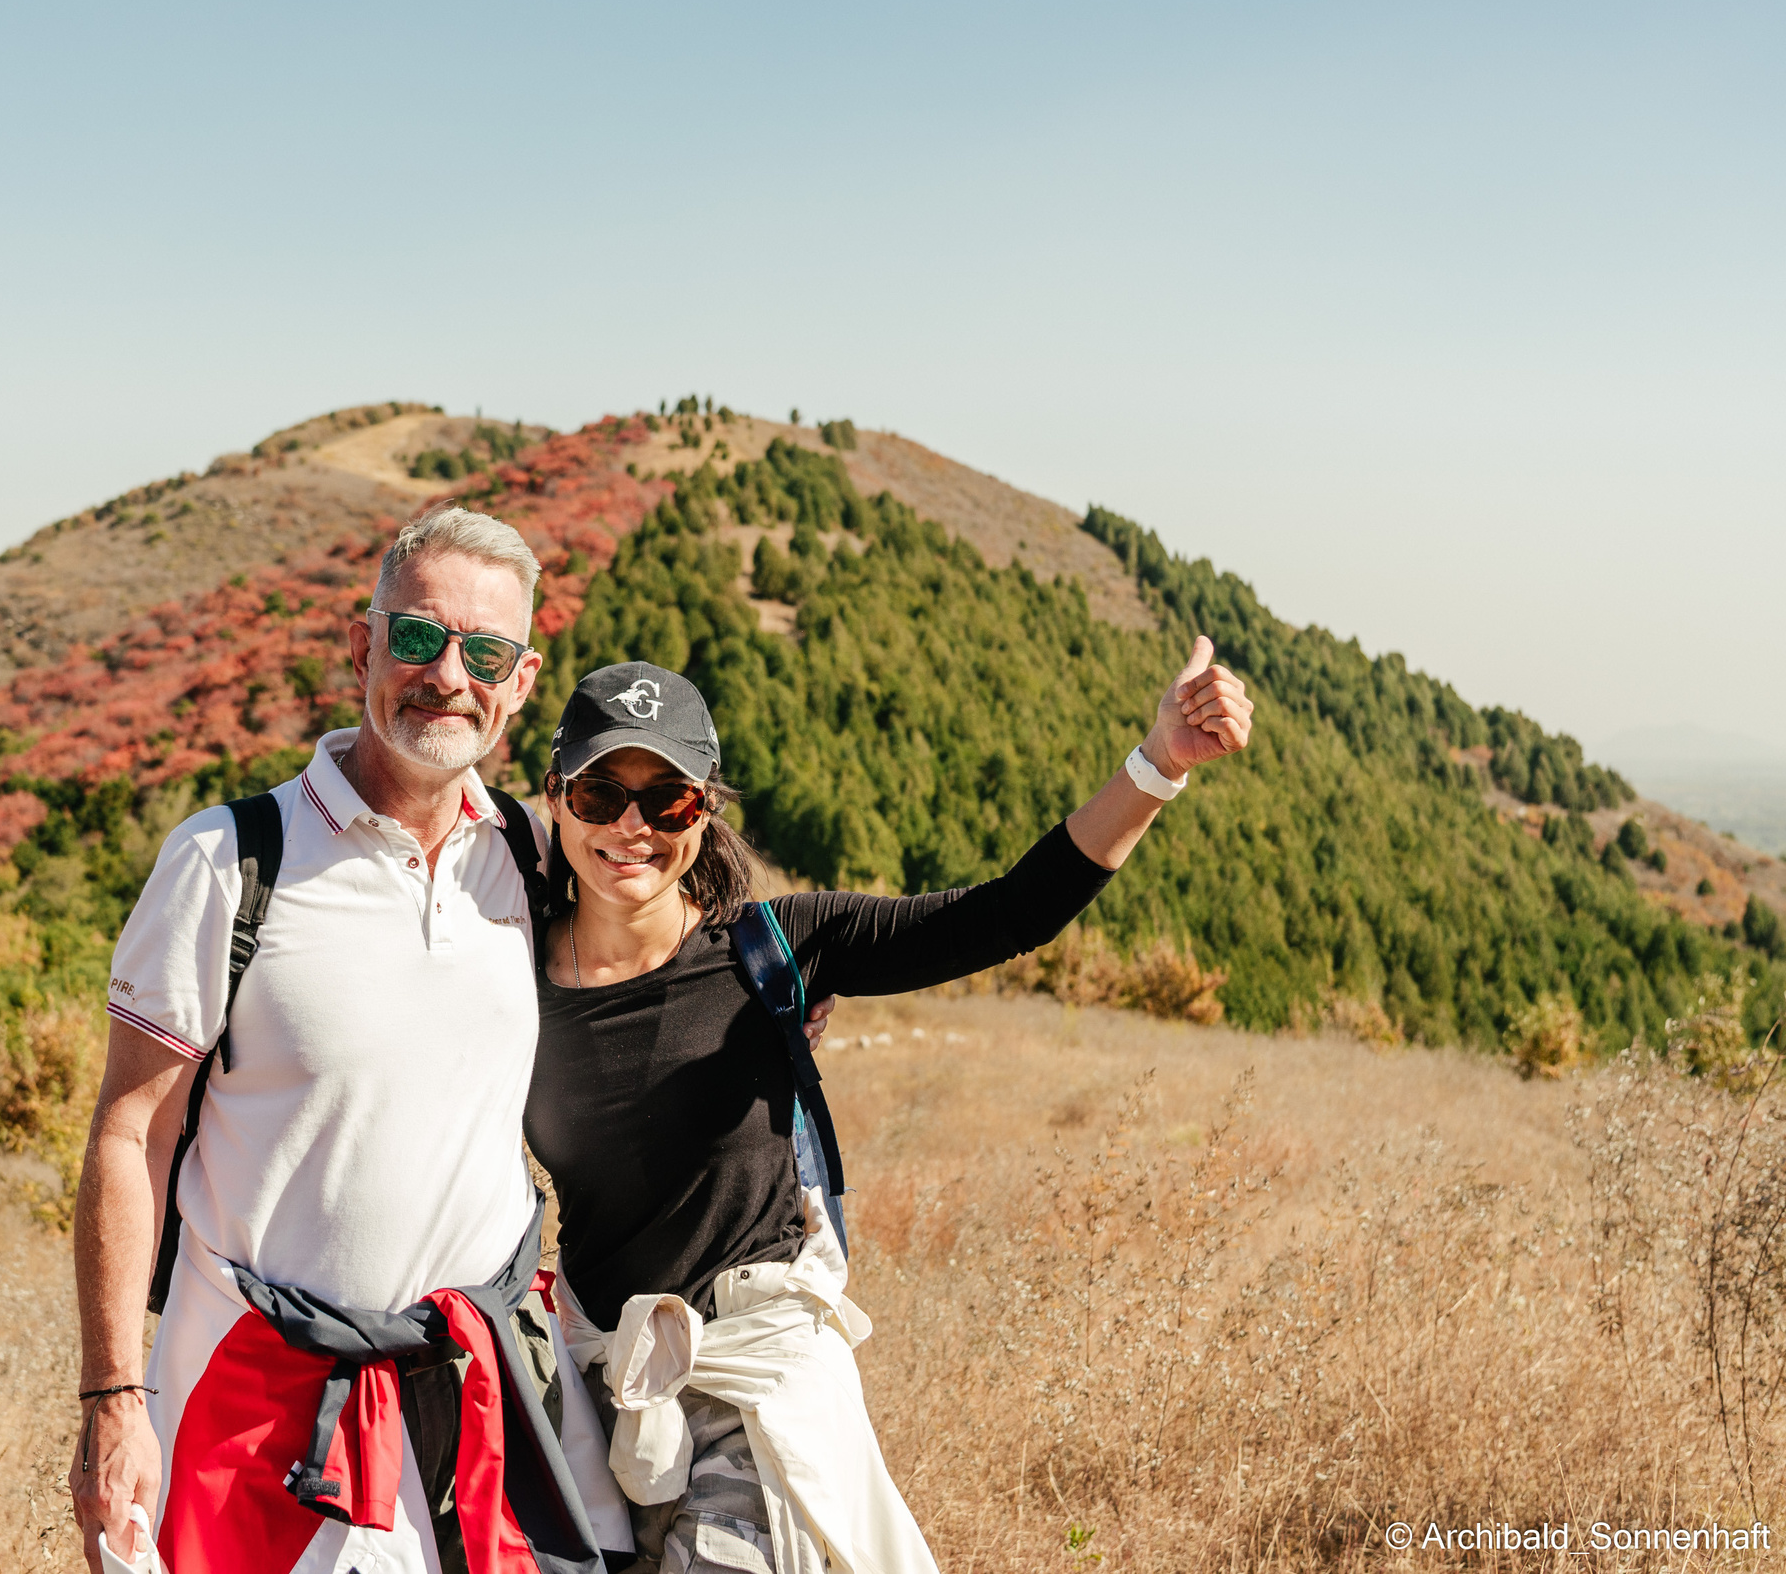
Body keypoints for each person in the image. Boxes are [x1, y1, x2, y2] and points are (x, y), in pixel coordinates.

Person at [523, 645, 1255, 1574]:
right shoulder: (503, 977)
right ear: (556, 797)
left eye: (665, 799)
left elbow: (1005, 916)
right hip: (597, 1385)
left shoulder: (776, 947)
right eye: (599, 795)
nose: (632, 826)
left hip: (756, 1377)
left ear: (704, 814)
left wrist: (1159, 764)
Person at [68, 506, 635, 1574]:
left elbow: (656, 946)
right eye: (417, 637)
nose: (445, 675)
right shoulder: (227, 861)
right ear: (361, 643)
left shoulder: (526, 852)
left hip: (486, 1394)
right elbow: (130, 1133)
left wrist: (778, 994)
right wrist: (112, 1397)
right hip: (258, 1401)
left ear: (521, 681)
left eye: (486, 652)